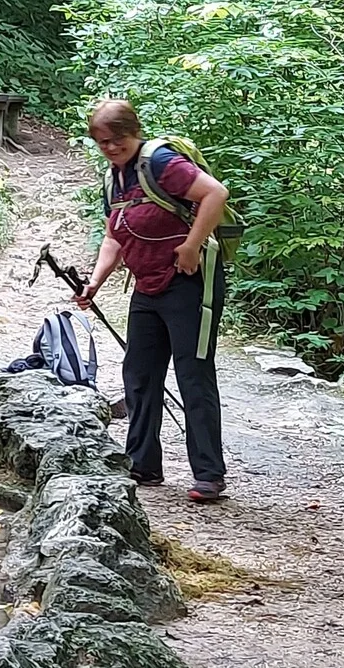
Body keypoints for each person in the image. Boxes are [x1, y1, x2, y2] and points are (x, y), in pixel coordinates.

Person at [72, 99, 231, 502]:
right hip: (147, 285)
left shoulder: (159, 163)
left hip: (190, 283)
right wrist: (95, 283)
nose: (108, 147)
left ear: (133, 132)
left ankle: (209, 475)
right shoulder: (116, 178)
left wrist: (192, 246)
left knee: (193, 375)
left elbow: (215, 194)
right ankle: (142, 464)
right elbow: (114, 235)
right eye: (101, 142)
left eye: (115, 140)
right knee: (140, 375)